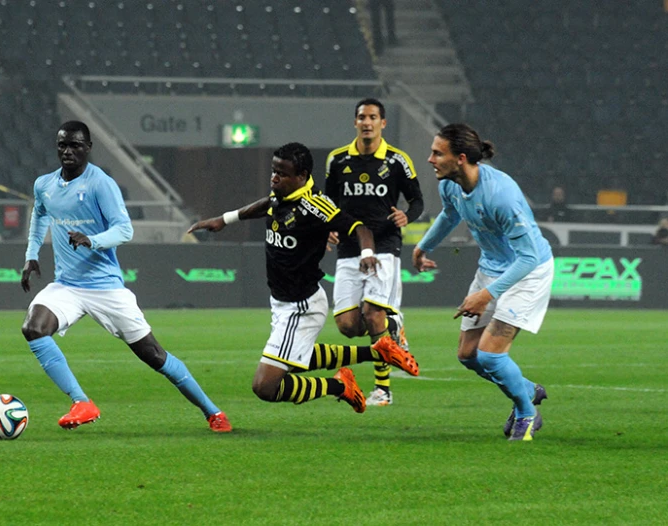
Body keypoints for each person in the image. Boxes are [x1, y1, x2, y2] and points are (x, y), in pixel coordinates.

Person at [20, 120, 231, 433]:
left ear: (88, 148)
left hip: (105, 289)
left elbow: (124, 229)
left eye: (75, 145)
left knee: (155, 356)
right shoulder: (45, 184)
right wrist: (31, 255)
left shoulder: (100, 184)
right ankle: (81, 402)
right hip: (66, 286)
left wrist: (93, 240)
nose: (68, 151)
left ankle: (213, 412)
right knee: (34, 328)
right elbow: (39, 215)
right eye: (63, 145)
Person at [187, 142, 418, 414]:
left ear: (302, 176)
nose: (274, 178)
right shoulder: (281, 195)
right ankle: (379, 351)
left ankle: (340, 386)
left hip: (301, 306)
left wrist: (367, 252)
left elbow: (359, 227)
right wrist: (225, 219)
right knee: (297, 360)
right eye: (274, 171)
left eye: (282, 174)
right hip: (283, 302)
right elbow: (266, 205)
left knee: (265, 386)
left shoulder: (315, 206)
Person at [412, 123, 552, 441]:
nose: (430, 159)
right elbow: (450, 214)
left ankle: (526, 413)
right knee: (468, 355)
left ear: (460, 158)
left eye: (437, 153)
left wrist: (486, 295)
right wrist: (423, 246)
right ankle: (527, 389)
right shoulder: (450, 184)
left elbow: (528, 257)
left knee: (490, 355)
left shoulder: (502, 196)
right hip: (492, 268)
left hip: (528, 272)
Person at [325, 98, 424, 407]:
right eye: (361, 117)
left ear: (383, 123)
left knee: (373, 313)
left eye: (372, 117)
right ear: (355, 122)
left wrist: (409, 215)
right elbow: (328, 202)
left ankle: (383, 389)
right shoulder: (337, 160)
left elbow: (417, 200)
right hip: (348, 247)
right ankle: (396, 326)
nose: (366, 122)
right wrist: (326, 225)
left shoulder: (397, 160)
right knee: (348, 326)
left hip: (384, 244)